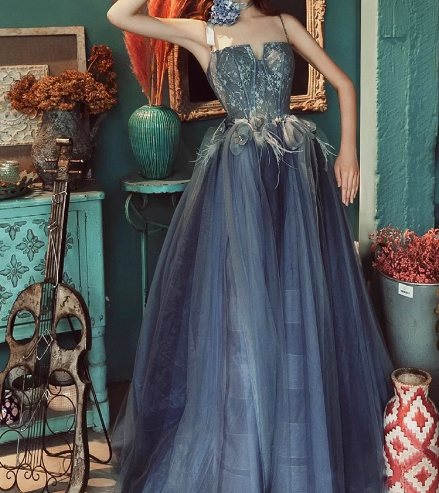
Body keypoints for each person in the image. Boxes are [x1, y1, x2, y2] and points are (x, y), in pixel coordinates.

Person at [107, 1, 393, 491]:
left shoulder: (284, 24)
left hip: (295, 181)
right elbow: (122, 15)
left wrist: (348, 150)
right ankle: (247, 455)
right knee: (243, 310)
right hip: (238, 184)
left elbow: (344, 84)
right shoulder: (202, 32)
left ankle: (298, 446)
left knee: (299, 300)